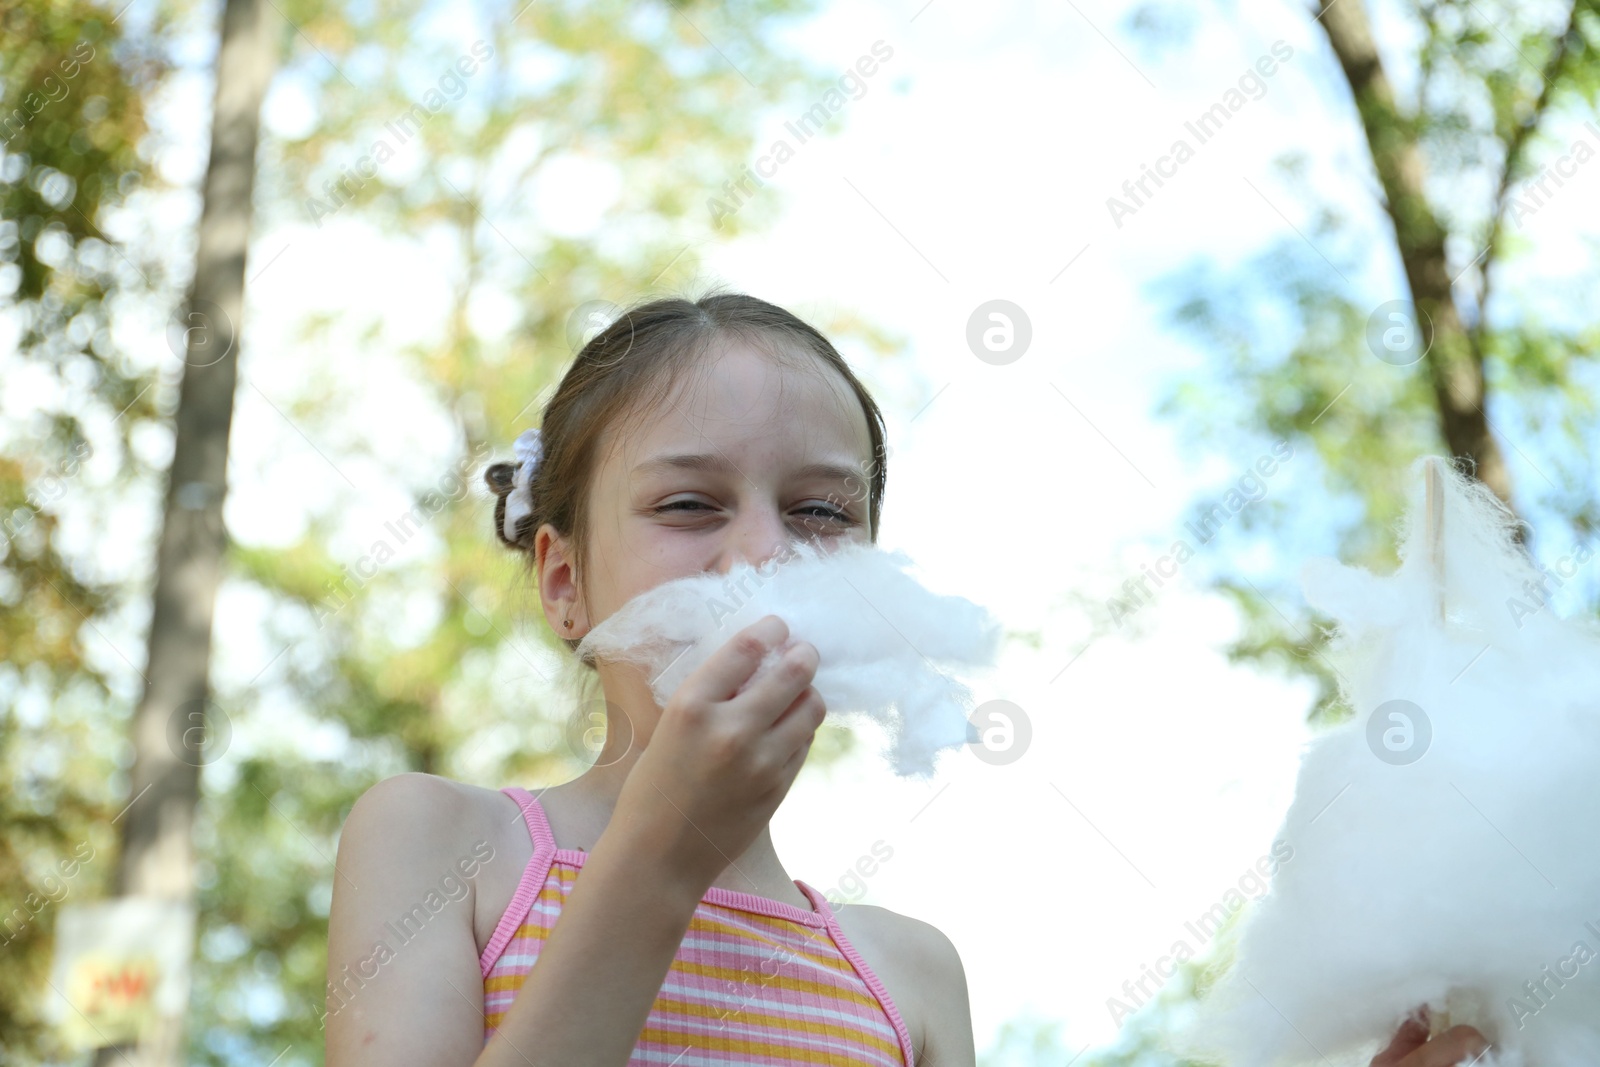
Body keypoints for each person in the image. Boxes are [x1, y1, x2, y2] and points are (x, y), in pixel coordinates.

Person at [324, 291, 975, 1066]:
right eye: (690, 503)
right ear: (565, 582)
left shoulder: (912, 979)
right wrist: (663, 850)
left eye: (821, 512)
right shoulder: (440, 844)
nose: (764, 551)